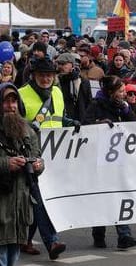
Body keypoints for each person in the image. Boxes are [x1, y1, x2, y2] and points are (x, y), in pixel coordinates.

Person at [18, 58, 67, 260]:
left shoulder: (57, 92)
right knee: (39, 198)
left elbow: (59, 118)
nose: (46, 78)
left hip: (54, 155)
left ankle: (25, 239)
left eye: (49, 75)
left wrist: (72, 122)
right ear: (33, 75)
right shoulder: (21, 94)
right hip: (29, 154)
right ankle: (52, 241)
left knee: (38, 199)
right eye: (42, 75)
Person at [83, 75, 136, 249]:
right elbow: (85, 124)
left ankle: (124, 235)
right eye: (120, 91)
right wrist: (99, 124)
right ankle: (98, 234)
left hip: (120, 160)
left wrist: (127, 110)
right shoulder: (96, 105)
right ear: (110, 92)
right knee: (102, 198)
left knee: (119, 196)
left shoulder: (123, 107)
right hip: (99, 161)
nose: (124, 94)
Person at [0, 83, 44, 266]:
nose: (11, 106)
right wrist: (5, 164)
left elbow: (38, 158)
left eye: (14, 101)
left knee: (13, 254)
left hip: (20, 204)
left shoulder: (27, 129)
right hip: (2, 202)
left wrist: (39, 165)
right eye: (6, 101)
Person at [56, 53, 92, 122]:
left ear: (72, 65)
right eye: (59, 64)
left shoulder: (82, 82)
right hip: (61, 120)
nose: (60, 66)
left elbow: (88, 103)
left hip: (80, 120)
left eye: (63, 64)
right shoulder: (55, 82)